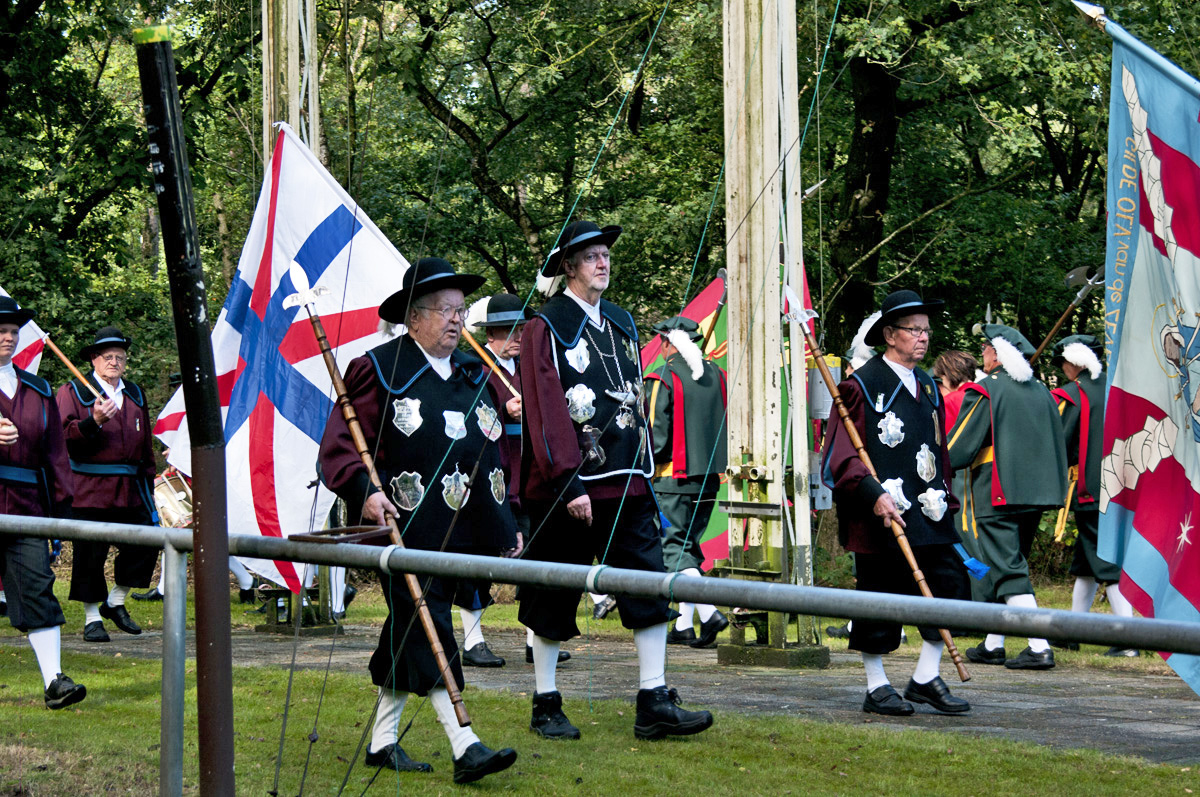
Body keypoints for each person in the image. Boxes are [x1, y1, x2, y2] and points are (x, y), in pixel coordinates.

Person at [318, 257, 517, 784]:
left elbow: (494, 452)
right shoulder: (379, 369)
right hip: (403, 529)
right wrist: (365, 493)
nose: (456, 320)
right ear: (413, 318)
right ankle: (465, 745)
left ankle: (382, 743)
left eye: (460, 310)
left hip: (463, 529)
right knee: (428, 623)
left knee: (409, 626)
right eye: (444, 310)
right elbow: (340, 447)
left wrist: (507, 520)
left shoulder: (474, 374)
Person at [518, 219, 713, 741]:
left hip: (629, 482)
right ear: (568, 267)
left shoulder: (623, 323)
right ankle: (545, 702)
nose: (602, 263)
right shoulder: (545, 326)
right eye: (591, 257)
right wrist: (568, 482)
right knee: (553, 595)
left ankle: (654, 699)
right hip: (569, 488)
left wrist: (648, 468)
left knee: (648, 586)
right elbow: (544, 410)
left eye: (605, 254)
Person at [821, 289, 971, 716]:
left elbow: (938, 451)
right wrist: (874, 496)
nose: (923, 337)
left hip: (929, 510)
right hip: (879, 513)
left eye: (926, 330)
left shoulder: (928, 384)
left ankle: (925, 677)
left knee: (951, 588)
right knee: (878, 600)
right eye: (913, 330)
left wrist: (947, 497)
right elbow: (840, 456)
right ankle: (877, 686)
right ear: (889, 334)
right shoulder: (860, 386)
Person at [948, 323, 1068, 670]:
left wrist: (934, 464)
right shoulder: (1043, 392)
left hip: (996, 491)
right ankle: (993, 643)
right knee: (1011, 564)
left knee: (1007, 567)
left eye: (985, 348)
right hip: (1035, 493)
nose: (982, 354)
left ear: (997, 354)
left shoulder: (987, 390)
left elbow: (960, 445)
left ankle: (1039, 646)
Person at [0, 295, 86, 708]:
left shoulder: (39, 390)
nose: (8, 337)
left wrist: (60, 514)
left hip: (26, 509)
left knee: (37, 587)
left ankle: (54, 681)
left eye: (12, 331)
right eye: (0, 331)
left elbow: (56, 455)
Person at [57, 327, 158, 643]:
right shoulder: (73, 392)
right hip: (89, 486)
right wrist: (94, 421)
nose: (114, 362)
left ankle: (115, 601)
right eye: (108, 357)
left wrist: (149, 484)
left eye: (120, 357)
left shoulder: (135, 394)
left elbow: (145, 445)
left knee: (147, 542)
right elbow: (61, 438)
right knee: (90, 553)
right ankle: (92, 619)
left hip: (132, 487)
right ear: (94, 359)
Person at [1049, 334, 1138, 657]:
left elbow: (1059, 442)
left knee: (1105, 563)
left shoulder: (1072, 395)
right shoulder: (1120, 389)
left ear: (1075, 363)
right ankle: (1072, 632)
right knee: (1086, 564)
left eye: (1063, 363)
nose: (1062, 370)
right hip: (1124, 486)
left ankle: (1129, 639)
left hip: (1092, 487)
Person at [645, 316, 730, 648]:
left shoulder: (662, 377)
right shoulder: (717, 375)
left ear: (668, 343)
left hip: (671, 480)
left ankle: (709, 613)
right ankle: (683, 625)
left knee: (673, 551)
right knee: (689, 548)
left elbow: (655, 435)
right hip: (708, 480)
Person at [931, 350, 978, 434]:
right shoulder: (987, 392)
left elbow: (947, 437)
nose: (943, 383)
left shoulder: (950, 401)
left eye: (942, 378)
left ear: (948, 375)